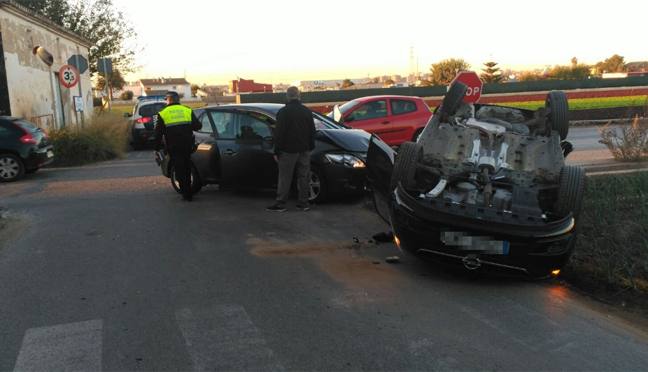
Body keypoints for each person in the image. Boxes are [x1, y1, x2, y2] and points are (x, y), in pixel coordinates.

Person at [266, 86, 316, 212]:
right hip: (304, 150)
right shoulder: (307, 111)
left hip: (288, 151)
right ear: (299, 96)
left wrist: (276, 151)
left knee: (285, 177)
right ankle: (303, 203)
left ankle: (281, 203)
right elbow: (312, 131)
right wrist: (310, 147)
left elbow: (279, 134)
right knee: (303, 177)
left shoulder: (283, 112)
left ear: (287, 96)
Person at [154, 91, 201, 201]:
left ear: (168, 100)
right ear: (178, 100)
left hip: (173, 147)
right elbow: (198, 126)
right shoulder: (187, 110)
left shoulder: (162, 113)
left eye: (166, 99)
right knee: (187, 167)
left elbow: (158, 134)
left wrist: (156, 148)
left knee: (179, 169)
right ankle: (189, 191)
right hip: (188, 146)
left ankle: (186, 193)